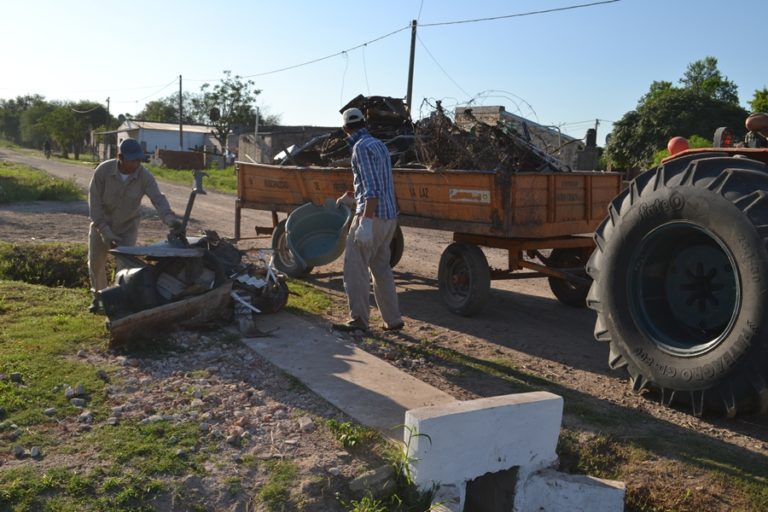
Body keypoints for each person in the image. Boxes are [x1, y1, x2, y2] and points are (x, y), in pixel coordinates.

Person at [87, 138, 180, 312]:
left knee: (124, 268)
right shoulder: (103, 171)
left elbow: (158, 198)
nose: (137, 163)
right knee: (95, 264)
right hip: (101, 225)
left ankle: (118, 302)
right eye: (133, 160)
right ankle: (99, 298)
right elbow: (95, 203)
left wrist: (169, 218)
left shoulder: (144, 176)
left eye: (139, 159)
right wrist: (104, 230)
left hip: (127, 227)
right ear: (120, 157)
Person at [332, 108, 404, 332]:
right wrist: (352, 196)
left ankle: (359, 320)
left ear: (345, 129)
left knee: (355, 269)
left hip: (371, 217)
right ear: (364, 123)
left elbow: (372, 190)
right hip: (389, 218)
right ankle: (393, 320)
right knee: (381, 268)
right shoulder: (378, 144)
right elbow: (376, 182)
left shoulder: (359, 148)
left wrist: (365, 222)